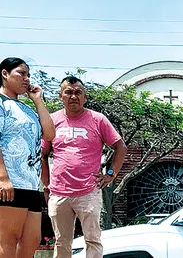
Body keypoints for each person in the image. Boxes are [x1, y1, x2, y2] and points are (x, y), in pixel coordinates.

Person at [41, 76, 127, 258]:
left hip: (89, 192)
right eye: (69, 92)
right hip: (59, 193)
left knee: (93, 240)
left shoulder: (98, 119)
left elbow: (120, 147)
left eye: (78, 92)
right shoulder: (52, 120)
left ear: (85, 97)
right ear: (61, 96)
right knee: (62, 242)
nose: (73, 96)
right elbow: (43, 154)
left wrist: (110, 174)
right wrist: (46, 185)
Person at [0, 57, 55, 258]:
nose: (26, 79)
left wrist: (38, 101)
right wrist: (3, 178)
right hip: (9, 184)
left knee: (31, 240)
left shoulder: (27, 109)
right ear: (4, 74)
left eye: (28, 75)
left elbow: (49, 134)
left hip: (31, 184)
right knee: (8, 240)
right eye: (21, 73)